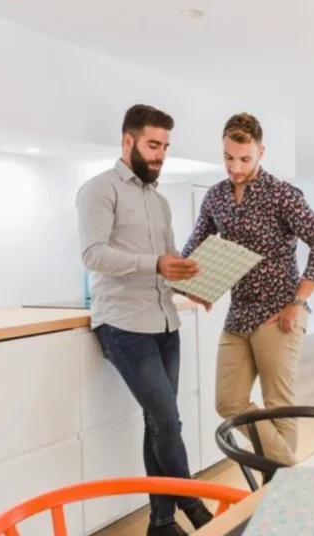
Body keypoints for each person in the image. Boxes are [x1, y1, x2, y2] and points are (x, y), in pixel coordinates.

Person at [76, 104, 212, 536]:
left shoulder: (160, 201)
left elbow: (167, 265)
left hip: (165, 324)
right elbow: (92, 254)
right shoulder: (99, 190)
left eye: (165, 147)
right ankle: (193, 505)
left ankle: (160, 523)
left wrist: (188, 285)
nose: (160, 155)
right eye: (154, 145)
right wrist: (156, 264)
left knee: (161, 423)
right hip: (123, 326)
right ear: (128, 140)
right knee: (167, 421)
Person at [182, 112, 314, 465]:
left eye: (244, 159)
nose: (235, 167)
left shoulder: (282, 194)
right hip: (238, 315)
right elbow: (194, 248)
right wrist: (195, 284)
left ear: (261, 152)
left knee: (278, 405)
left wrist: (298, 302)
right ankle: (292, 473)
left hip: (279, 314)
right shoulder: (216, 198)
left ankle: (277, 483)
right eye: (228, 158)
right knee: (228, 402)